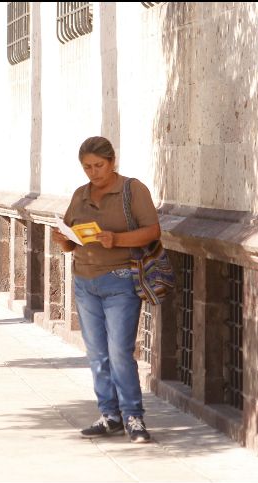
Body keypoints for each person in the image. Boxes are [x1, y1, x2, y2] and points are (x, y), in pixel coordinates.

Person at [52, 136, 161, 444]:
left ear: (113, 162)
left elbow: (153, 230)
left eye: (99, 165)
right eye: (87, 167)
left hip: (120, 280)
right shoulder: (80, 194)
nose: (93, 172)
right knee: (97, 354)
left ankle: (133, 416)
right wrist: (63, 240)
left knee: (119, 352)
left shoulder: (132, 189)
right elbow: (71, 237)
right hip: (85, 282)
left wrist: (118, 240)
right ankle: (109, 415)